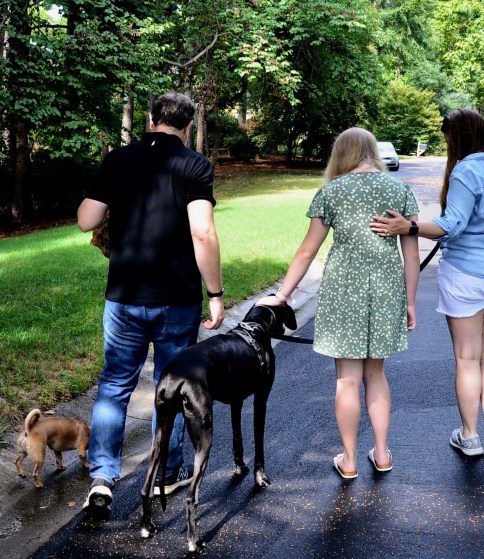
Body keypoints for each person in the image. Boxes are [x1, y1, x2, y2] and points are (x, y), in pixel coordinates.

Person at [76, 92, 224, 513]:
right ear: (188, 126)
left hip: (124, 296)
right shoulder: (194, 165)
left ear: (150, 119)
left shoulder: (119, 159)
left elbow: (86, 219)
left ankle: (102, 476)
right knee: (172, 385)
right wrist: (215, 294)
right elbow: (203, 233)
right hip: (177, 298)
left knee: (115, 383)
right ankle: (165, 471)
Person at [370, 108, 484, 457]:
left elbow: (452, 224)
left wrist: (410, 227)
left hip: (465, 275)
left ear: (458, 137)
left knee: (466, 357)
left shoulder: (466, 170)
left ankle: (469, 434)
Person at [258, 127, 420, 479]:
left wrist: (283, 295)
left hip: (343, 291)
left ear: (341, 154)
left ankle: (348, 460)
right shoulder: (398, 189)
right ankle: (381, 453)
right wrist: (410, 302)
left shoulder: (332, 192)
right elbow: (411, 252)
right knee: (376, 374)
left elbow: (307, 251)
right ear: (372, 151)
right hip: (385, 289)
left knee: (347, 380)